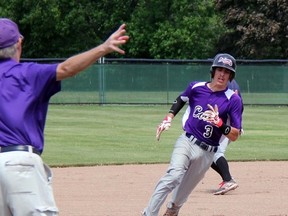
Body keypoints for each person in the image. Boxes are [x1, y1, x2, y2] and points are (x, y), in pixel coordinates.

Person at [0, 18, 128, 216]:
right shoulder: (28, 73)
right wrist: (103, 47)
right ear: (19, 43)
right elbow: (67, 68)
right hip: (20, 164)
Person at [142, 53, 243, 216]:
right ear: (213, 71)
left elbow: (235, 134)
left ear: (231, 76)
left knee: (178, 201)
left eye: (227, 71)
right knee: (173, 176)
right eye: (219, 70)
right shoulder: (196, 87)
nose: (222, 74)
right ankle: (149, 213)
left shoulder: (233, 100)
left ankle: (172, 210)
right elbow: (181, 99)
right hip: (187, 142)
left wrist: (220, 124)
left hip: (208, 153)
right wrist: (168, 117)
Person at [211, 79, 244, 195]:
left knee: (216, 152)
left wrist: (236, 126)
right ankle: (228, 178)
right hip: (228, 124)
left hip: (227, 126)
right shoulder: (231, 82)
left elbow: (236, 105)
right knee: (206, 153)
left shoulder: (226, 83)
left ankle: (228, 180)